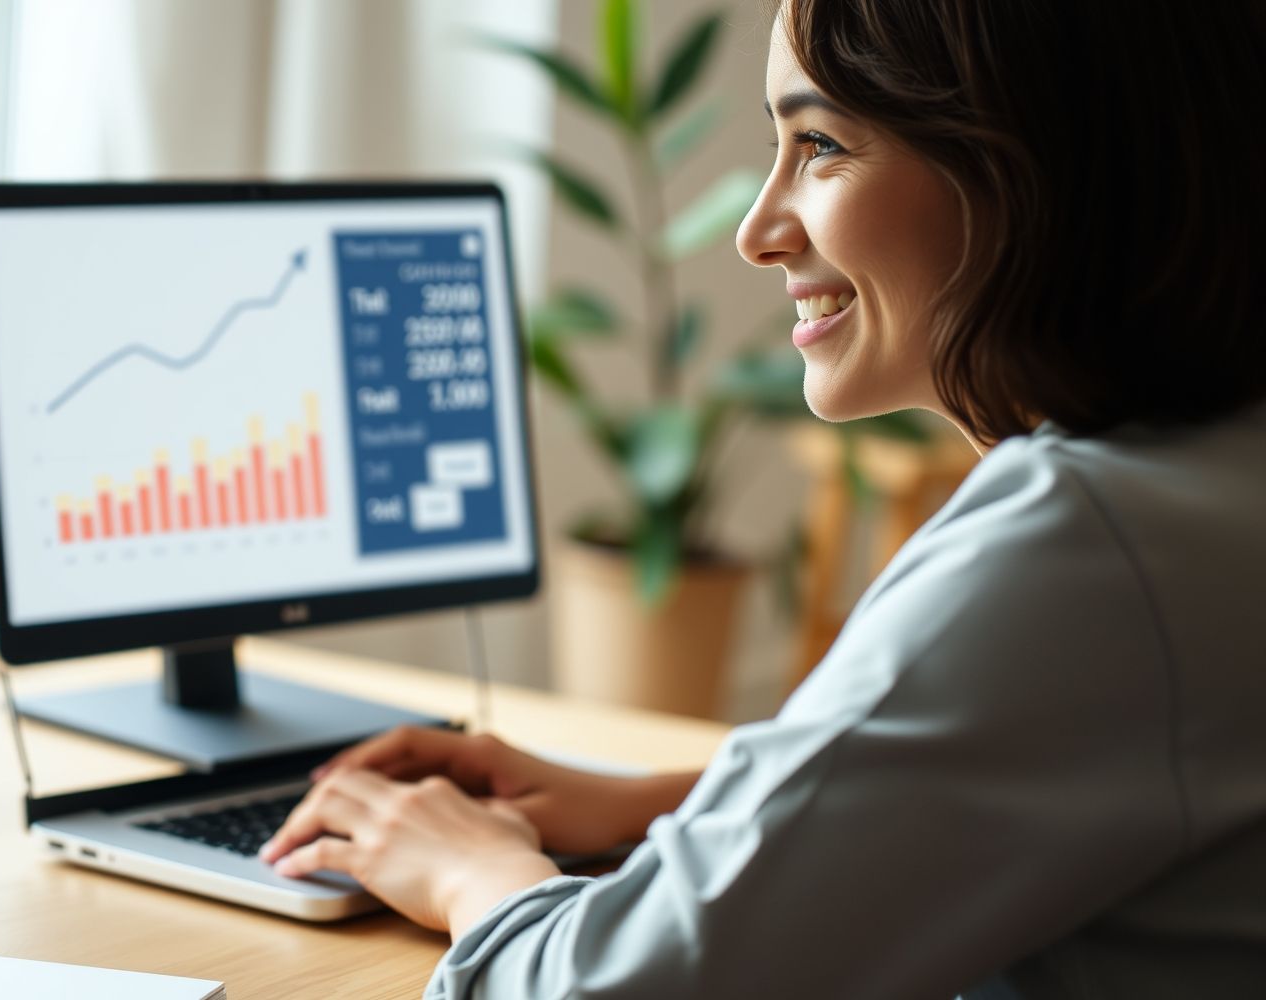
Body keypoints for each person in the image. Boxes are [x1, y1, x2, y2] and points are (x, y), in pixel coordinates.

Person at [260, 0, 1266, 995]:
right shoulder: (1213, 476)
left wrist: (470, 870)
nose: (756, 231)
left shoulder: (1087, 548)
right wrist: (667, 805)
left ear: (1029, 160)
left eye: (819, 145)